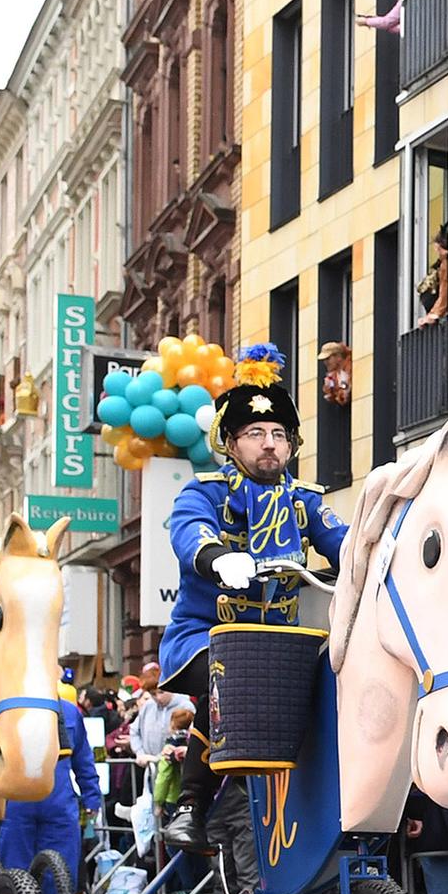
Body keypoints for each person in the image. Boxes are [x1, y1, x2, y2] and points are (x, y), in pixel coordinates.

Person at [157, 354, 350, 857]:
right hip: (206, 636)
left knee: (331, 692)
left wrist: (381, 549)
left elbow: (343, 542)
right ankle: (191, 806)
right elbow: (188, 533)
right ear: (231, 442)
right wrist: (218, 558)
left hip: (280, 643)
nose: (270, 443)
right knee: (231, 676)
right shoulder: (206, 493)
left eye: (280, 434)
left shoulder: (305, 500)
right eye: (256, 432)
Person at [0, 699, 102, 882]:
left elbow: (83, 758)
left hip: (48, 805)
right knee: (17, 876)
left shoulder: (68, 712)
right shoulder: (7, 708)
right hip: (24, 805)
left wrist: (91, 796)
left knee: (59, 877)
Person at [417, 227, 448, 325]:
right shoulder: (442, 265)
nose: (439, 254)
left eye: (439, 251)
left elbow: (444, 294)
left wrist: (433, 315)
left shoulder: (446, 264)